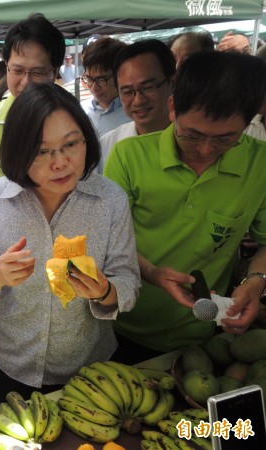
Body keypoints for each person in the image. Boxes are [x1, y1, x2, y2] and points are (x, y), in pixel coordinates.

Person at [0, 82, 140, 405]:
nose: (60, 162)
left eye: (71, 144)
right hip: (10, 362)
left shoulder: (110, 200)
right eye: (42, 151)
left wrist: (105, 290)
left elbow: (128, 279)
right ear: (19, 150)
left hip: (87, 365)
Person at [104, 51, 266, 364]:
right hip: (119, 322)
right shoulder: (129, 156)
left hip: (200, 332)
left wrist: (255, 281)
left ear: (248, 123)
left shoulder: (260, 164)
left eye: (225, 139)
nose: (206, 150)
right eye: (192, 135)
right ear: (173, 107)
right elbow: (108, 240)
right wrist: (152, 272)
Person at [0, 13, 65, 181]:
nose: (26, 82)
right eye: (17, 71)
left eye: (38, 72)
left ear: (55, 72)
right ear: (7, 66)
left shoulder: (70, 121)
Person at [98, 39, 176, 172]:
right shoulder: (108, 145)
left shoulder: (198, 141)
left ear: (173, 83)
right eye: (127, 92)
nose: (138, 100)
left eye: (148, 87)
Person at [80, 37, 131, 138]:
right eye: (89, 79)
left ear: (120, 75)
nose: (94, 88)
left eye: (101, 79)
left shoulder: (133, 114)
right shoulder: (81, 110)